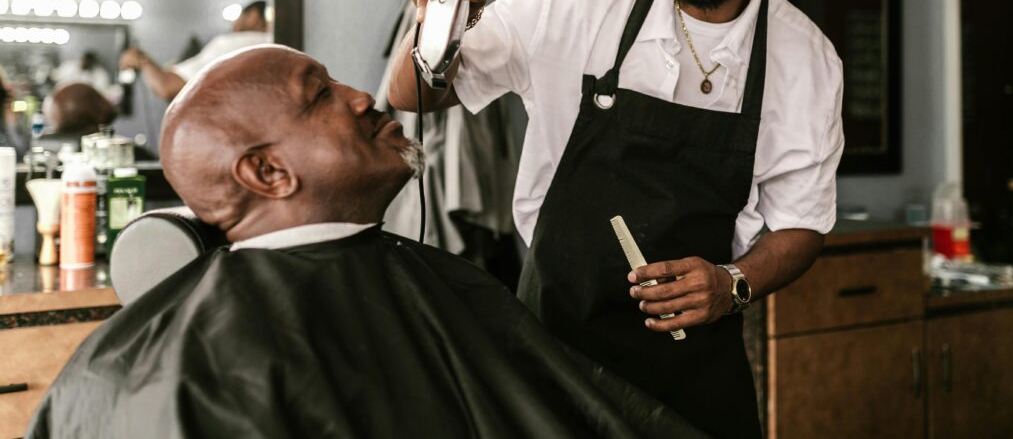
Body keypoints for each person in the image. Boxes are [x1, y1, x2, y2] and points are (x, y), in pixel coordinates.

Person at [389, 0, 844, 437]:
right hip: (552, 353)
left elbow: (802, 226)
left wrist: (732, 283)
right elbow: (411, 96)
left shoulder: (808, 61)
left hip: (695, 374)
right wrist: (430, 17)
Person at [27, 45, 702, 439]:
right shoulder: (171, 370)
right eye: (319, 95)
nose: (360, 97)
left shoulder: (437, 279)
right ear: (267, 171)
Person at [118, 0, 272, 101]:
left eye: (238, 16)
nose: (233, 23)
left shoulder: (234, 44)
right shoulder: (277, 48)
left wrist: (141, 59)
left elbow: (166, 87)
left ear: (253, 16)